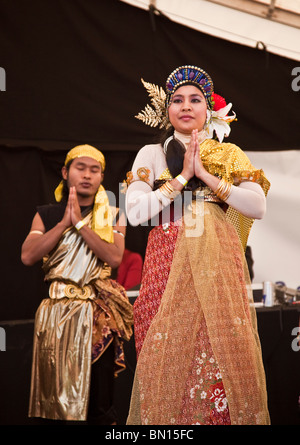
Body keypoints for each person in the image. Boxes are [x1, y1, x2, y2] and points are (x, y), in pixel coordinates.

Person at [124, 66, 271, 425]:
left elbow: (257, 207)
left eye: (195, 100)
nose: (186, 106)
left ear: (209, 109)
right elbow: (136, 211)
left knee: (222, 350)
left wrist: (206, 176)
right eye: (177, 100)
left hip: (216, 265)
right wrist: (182, 178)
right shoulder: (152, 154)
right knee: (164, 350)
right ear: (167, 110)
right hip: (165, 263)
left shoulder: (229, 153)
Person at [21, 144, 133, 424]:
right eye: (80, 168)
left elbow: (114, 257)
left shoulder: (113, 214)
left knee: (99, 402)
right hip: (55, 316)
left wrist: (81, 226)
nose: (87, 175)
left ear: (101, 177)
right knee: (54, 402)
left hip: (96, 317)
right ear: (65, 172)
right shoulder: (46, 214)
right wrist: (63, 224)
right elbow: (28, 255)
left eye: (94, 170)